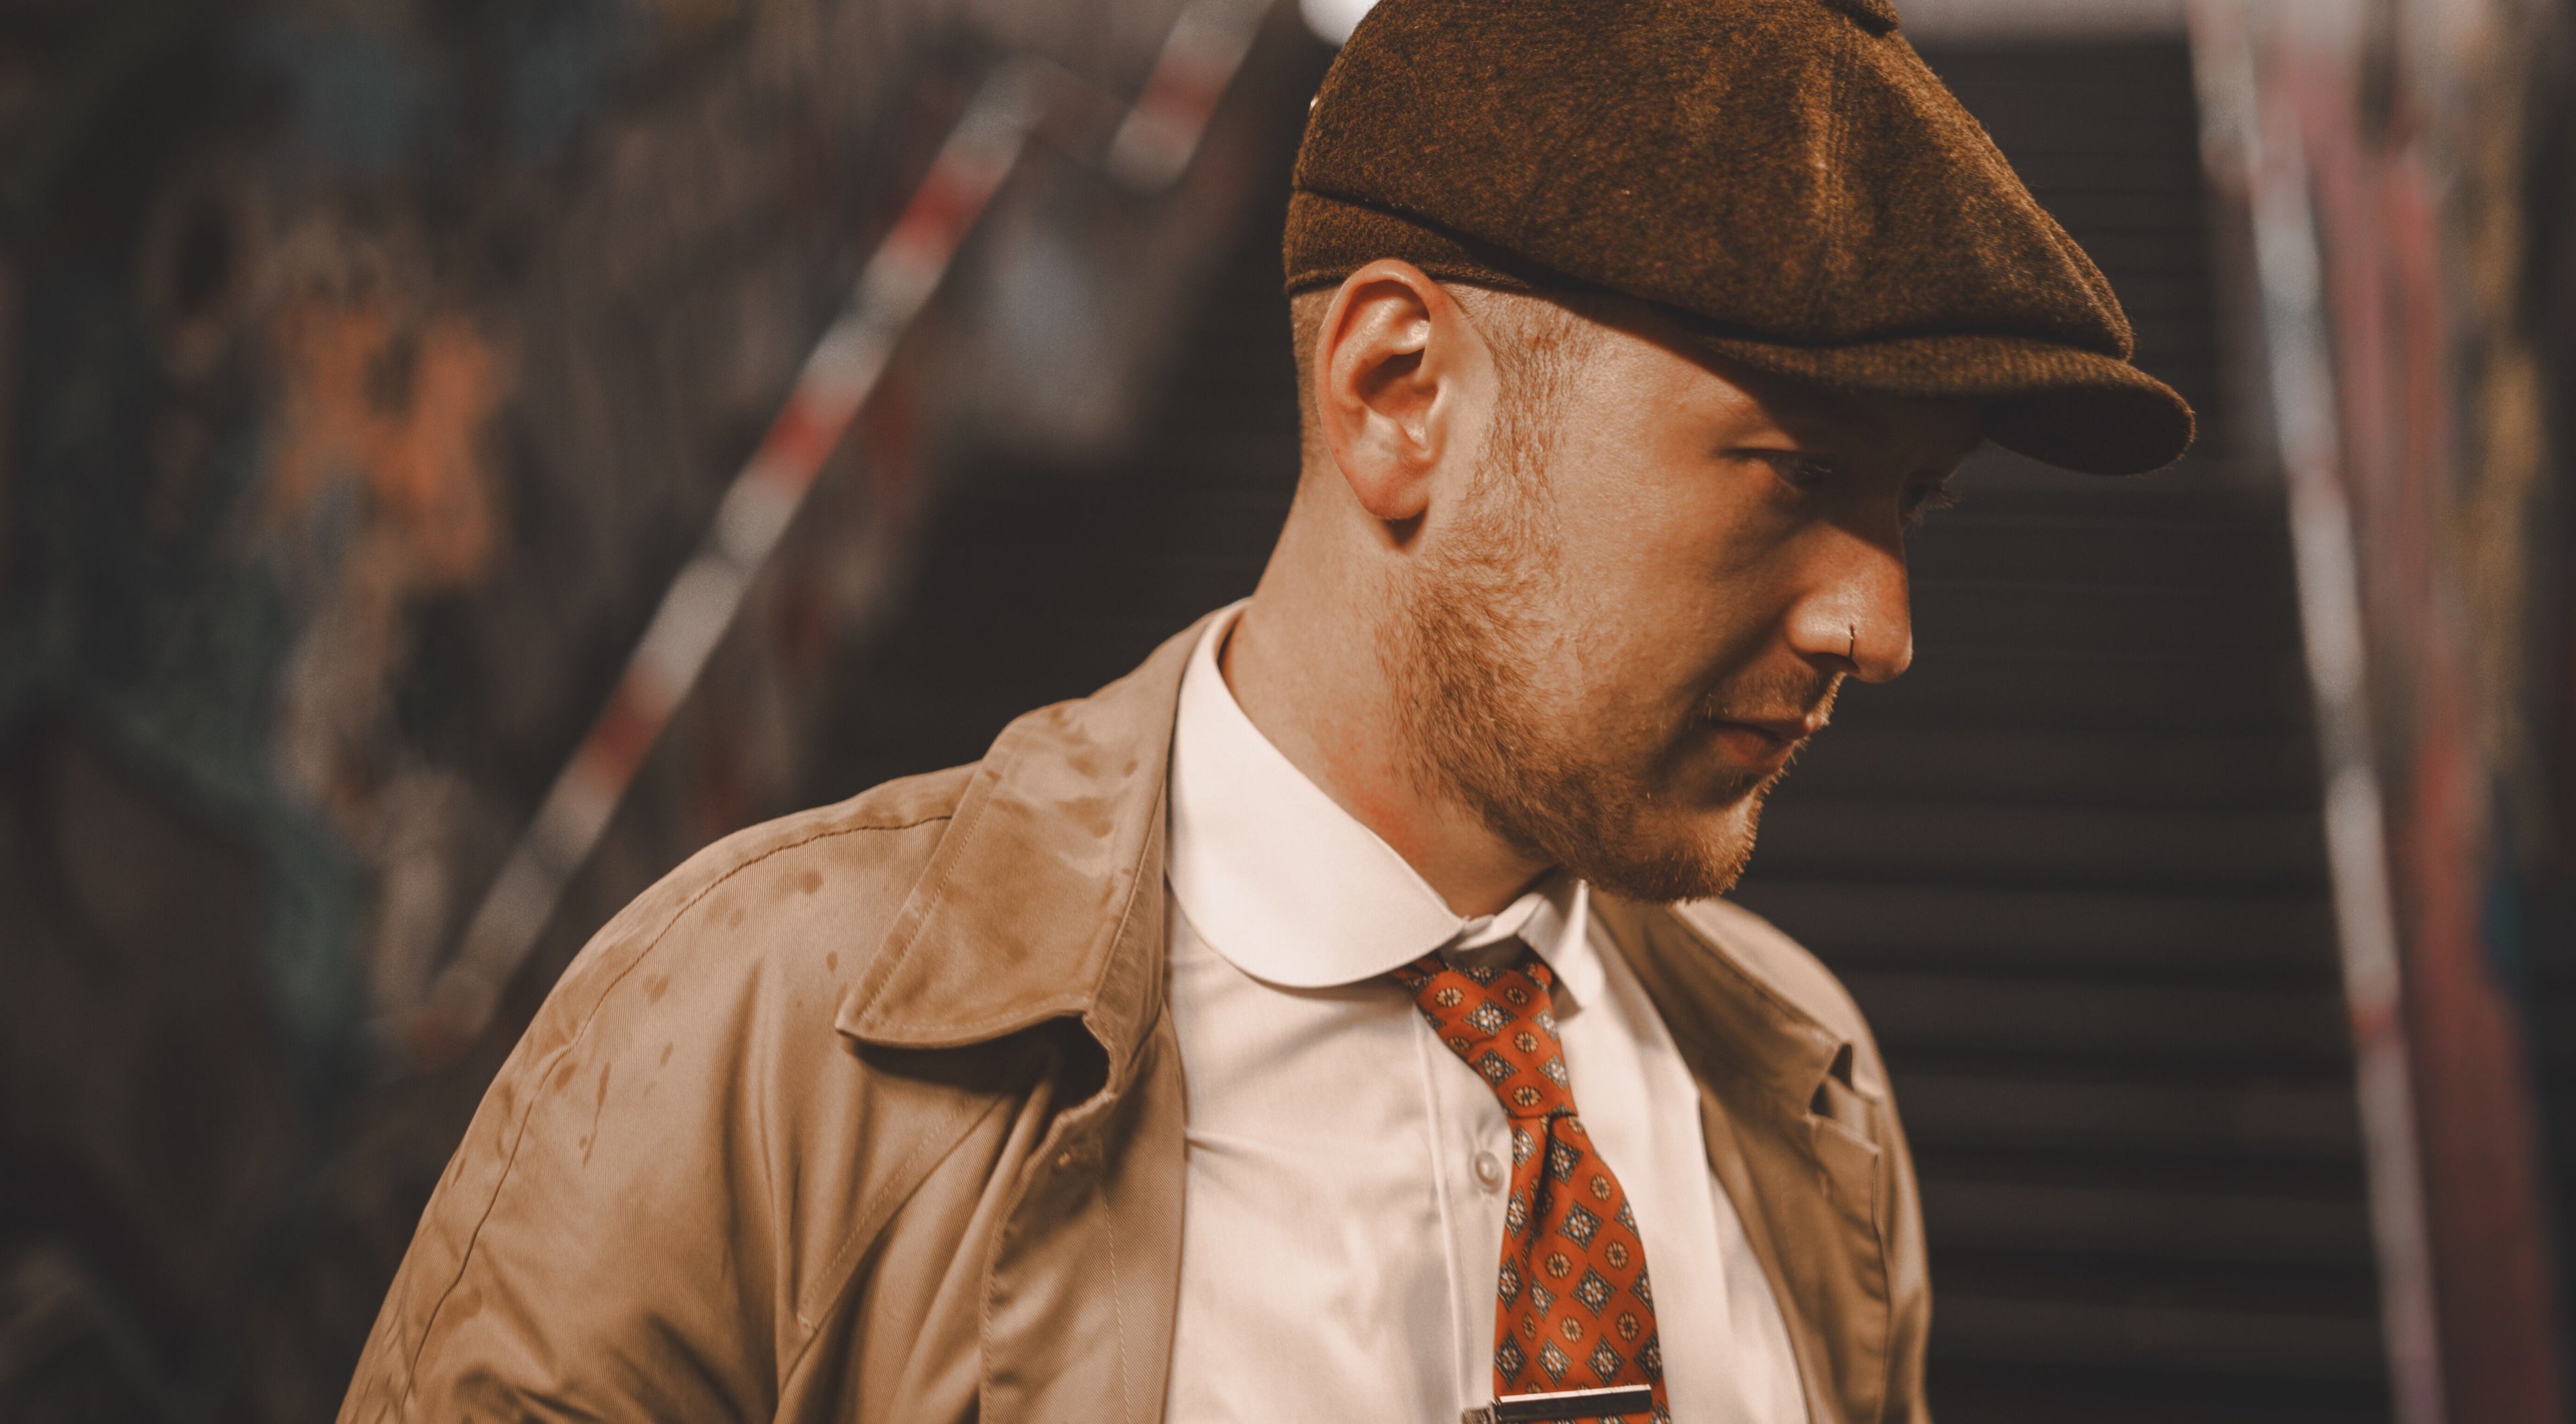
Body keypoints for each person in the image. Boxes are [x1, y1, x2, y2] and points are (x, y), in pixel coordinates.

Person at [338, 0, 2191, 1421]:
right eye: (1790, 470)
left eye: (1915, 508)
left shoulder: (1807, 1089)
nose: (1880, 619)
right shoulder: (756, 1039)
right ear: (1399, 391)